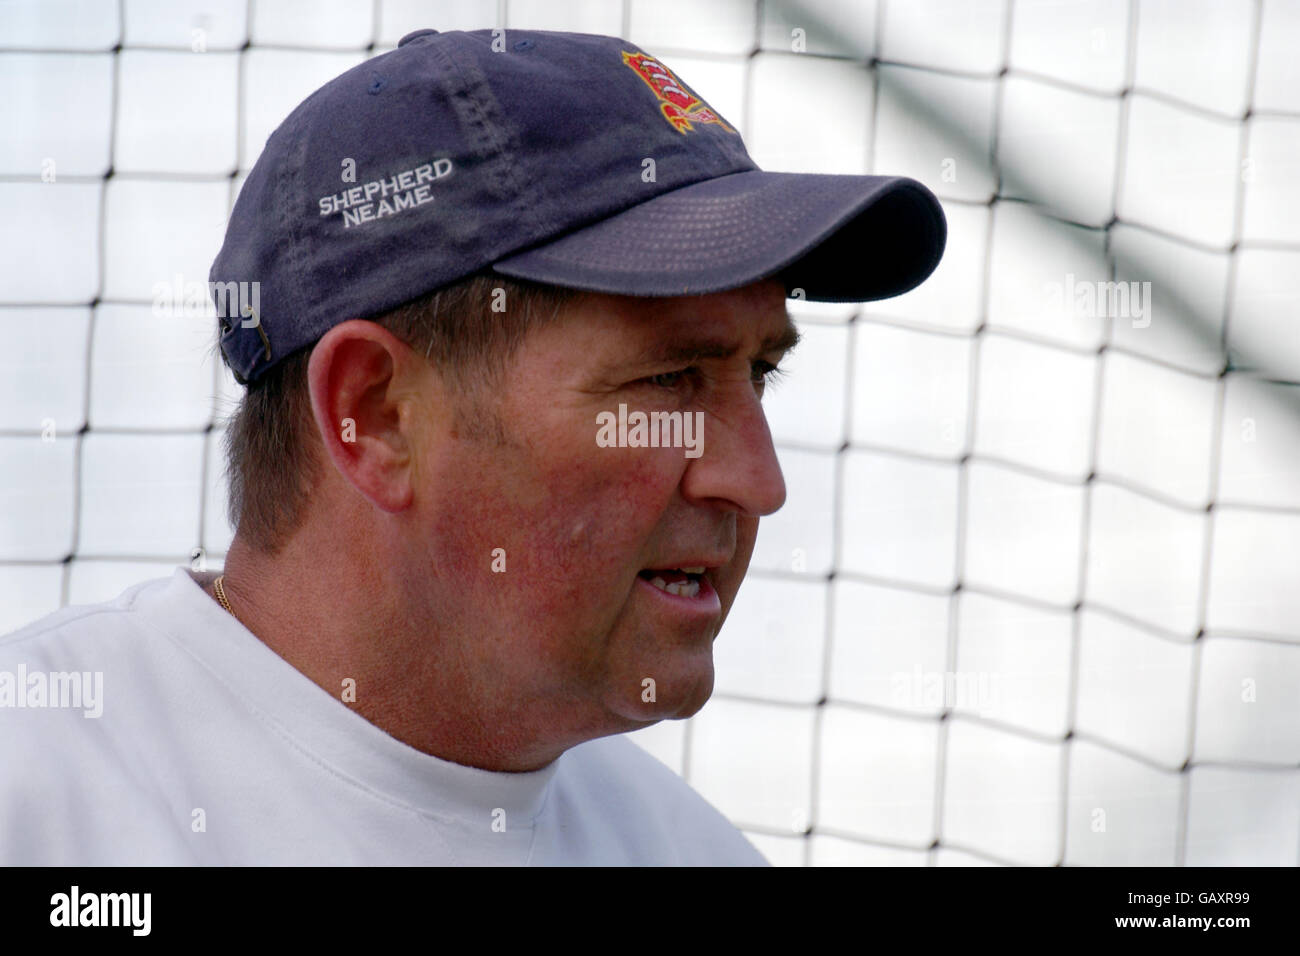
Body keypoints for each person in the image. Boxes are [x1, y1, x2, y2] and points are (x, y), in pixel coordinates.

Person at [0, 27, 945, 865]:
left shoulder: (693, 850)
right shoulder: (34, 790)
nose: (759, 482)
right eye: (667, 382)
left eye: (761, 375)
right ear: (376, 415)